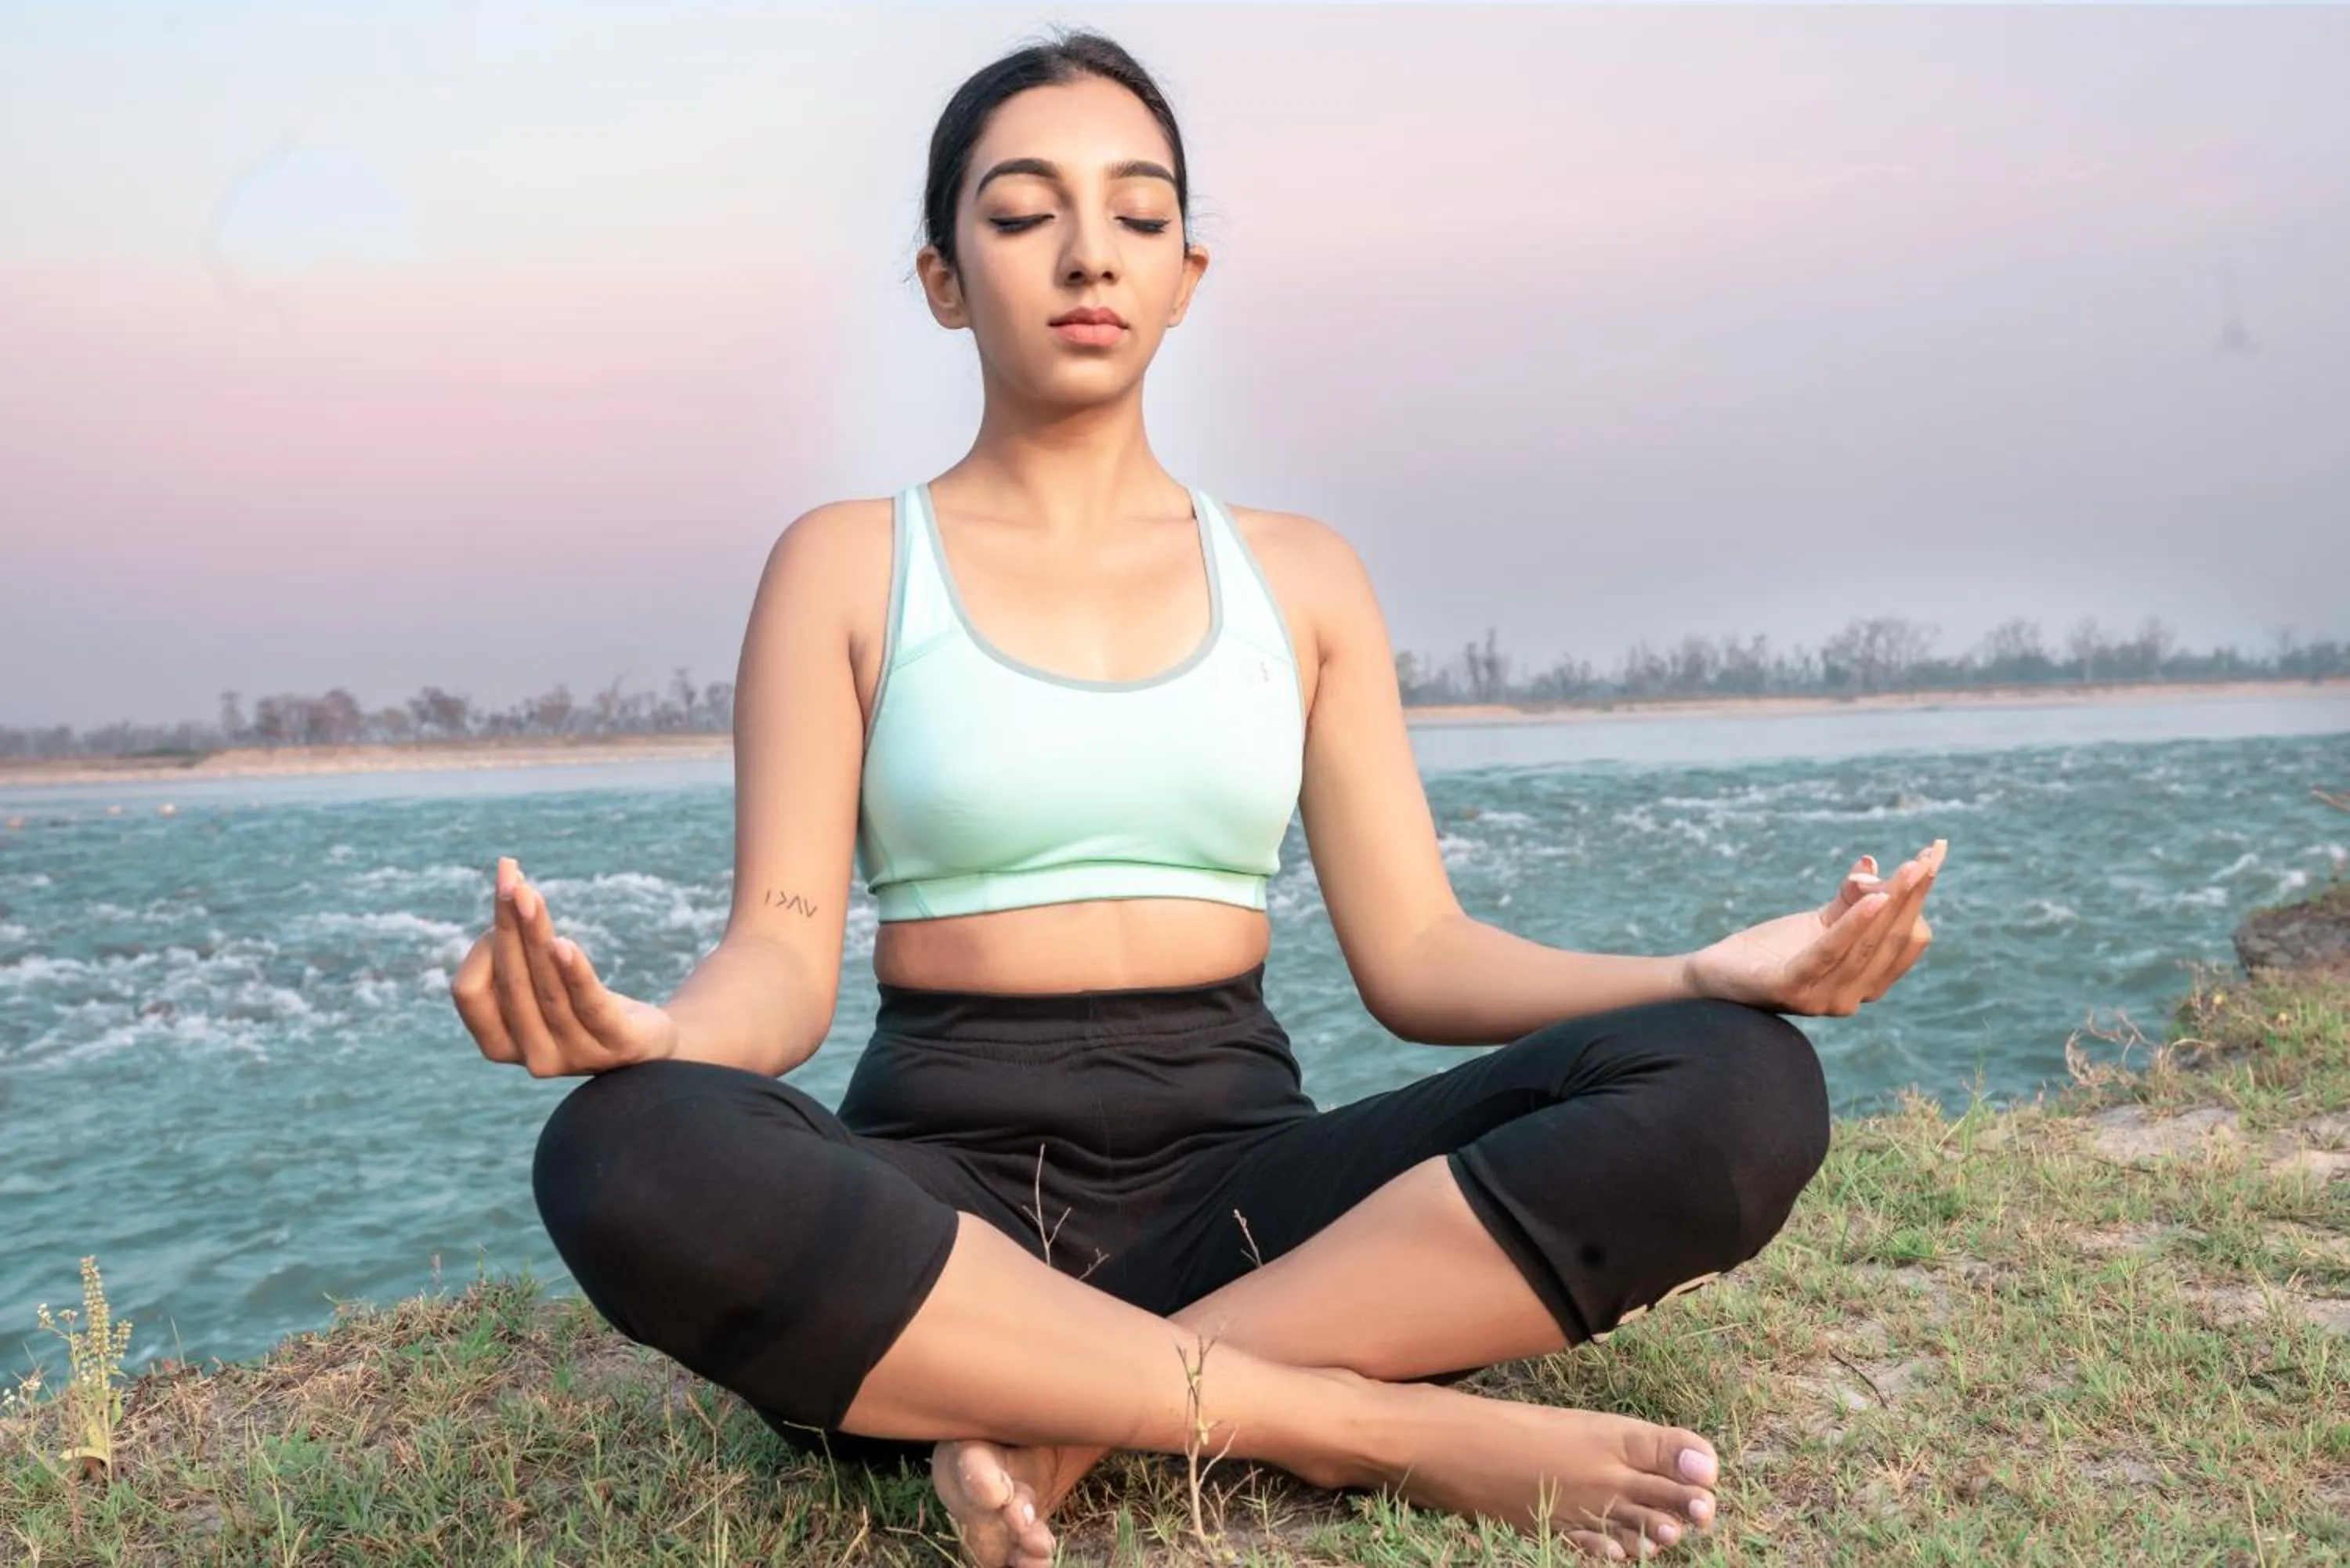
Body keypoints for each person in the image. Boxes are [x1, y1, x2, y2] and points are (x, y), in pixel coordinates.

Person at [450, 30, 1943, 1566]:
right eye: (1023, 214)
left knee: (1743, 1085)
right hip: (944, 1209)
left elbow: (1421, 953)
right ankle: (1367, 1419)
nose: (1088, 252)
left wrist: (1705, 972)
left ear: (1187, 272)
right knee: (625, 1148)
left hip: (1243, 1175)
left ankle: (1069, 1408)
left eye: (1140, 214)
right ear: (944, 279)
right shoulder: (844, 563)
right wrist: (657, 1037)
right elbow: (777, 954)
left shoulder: (1300, 576)